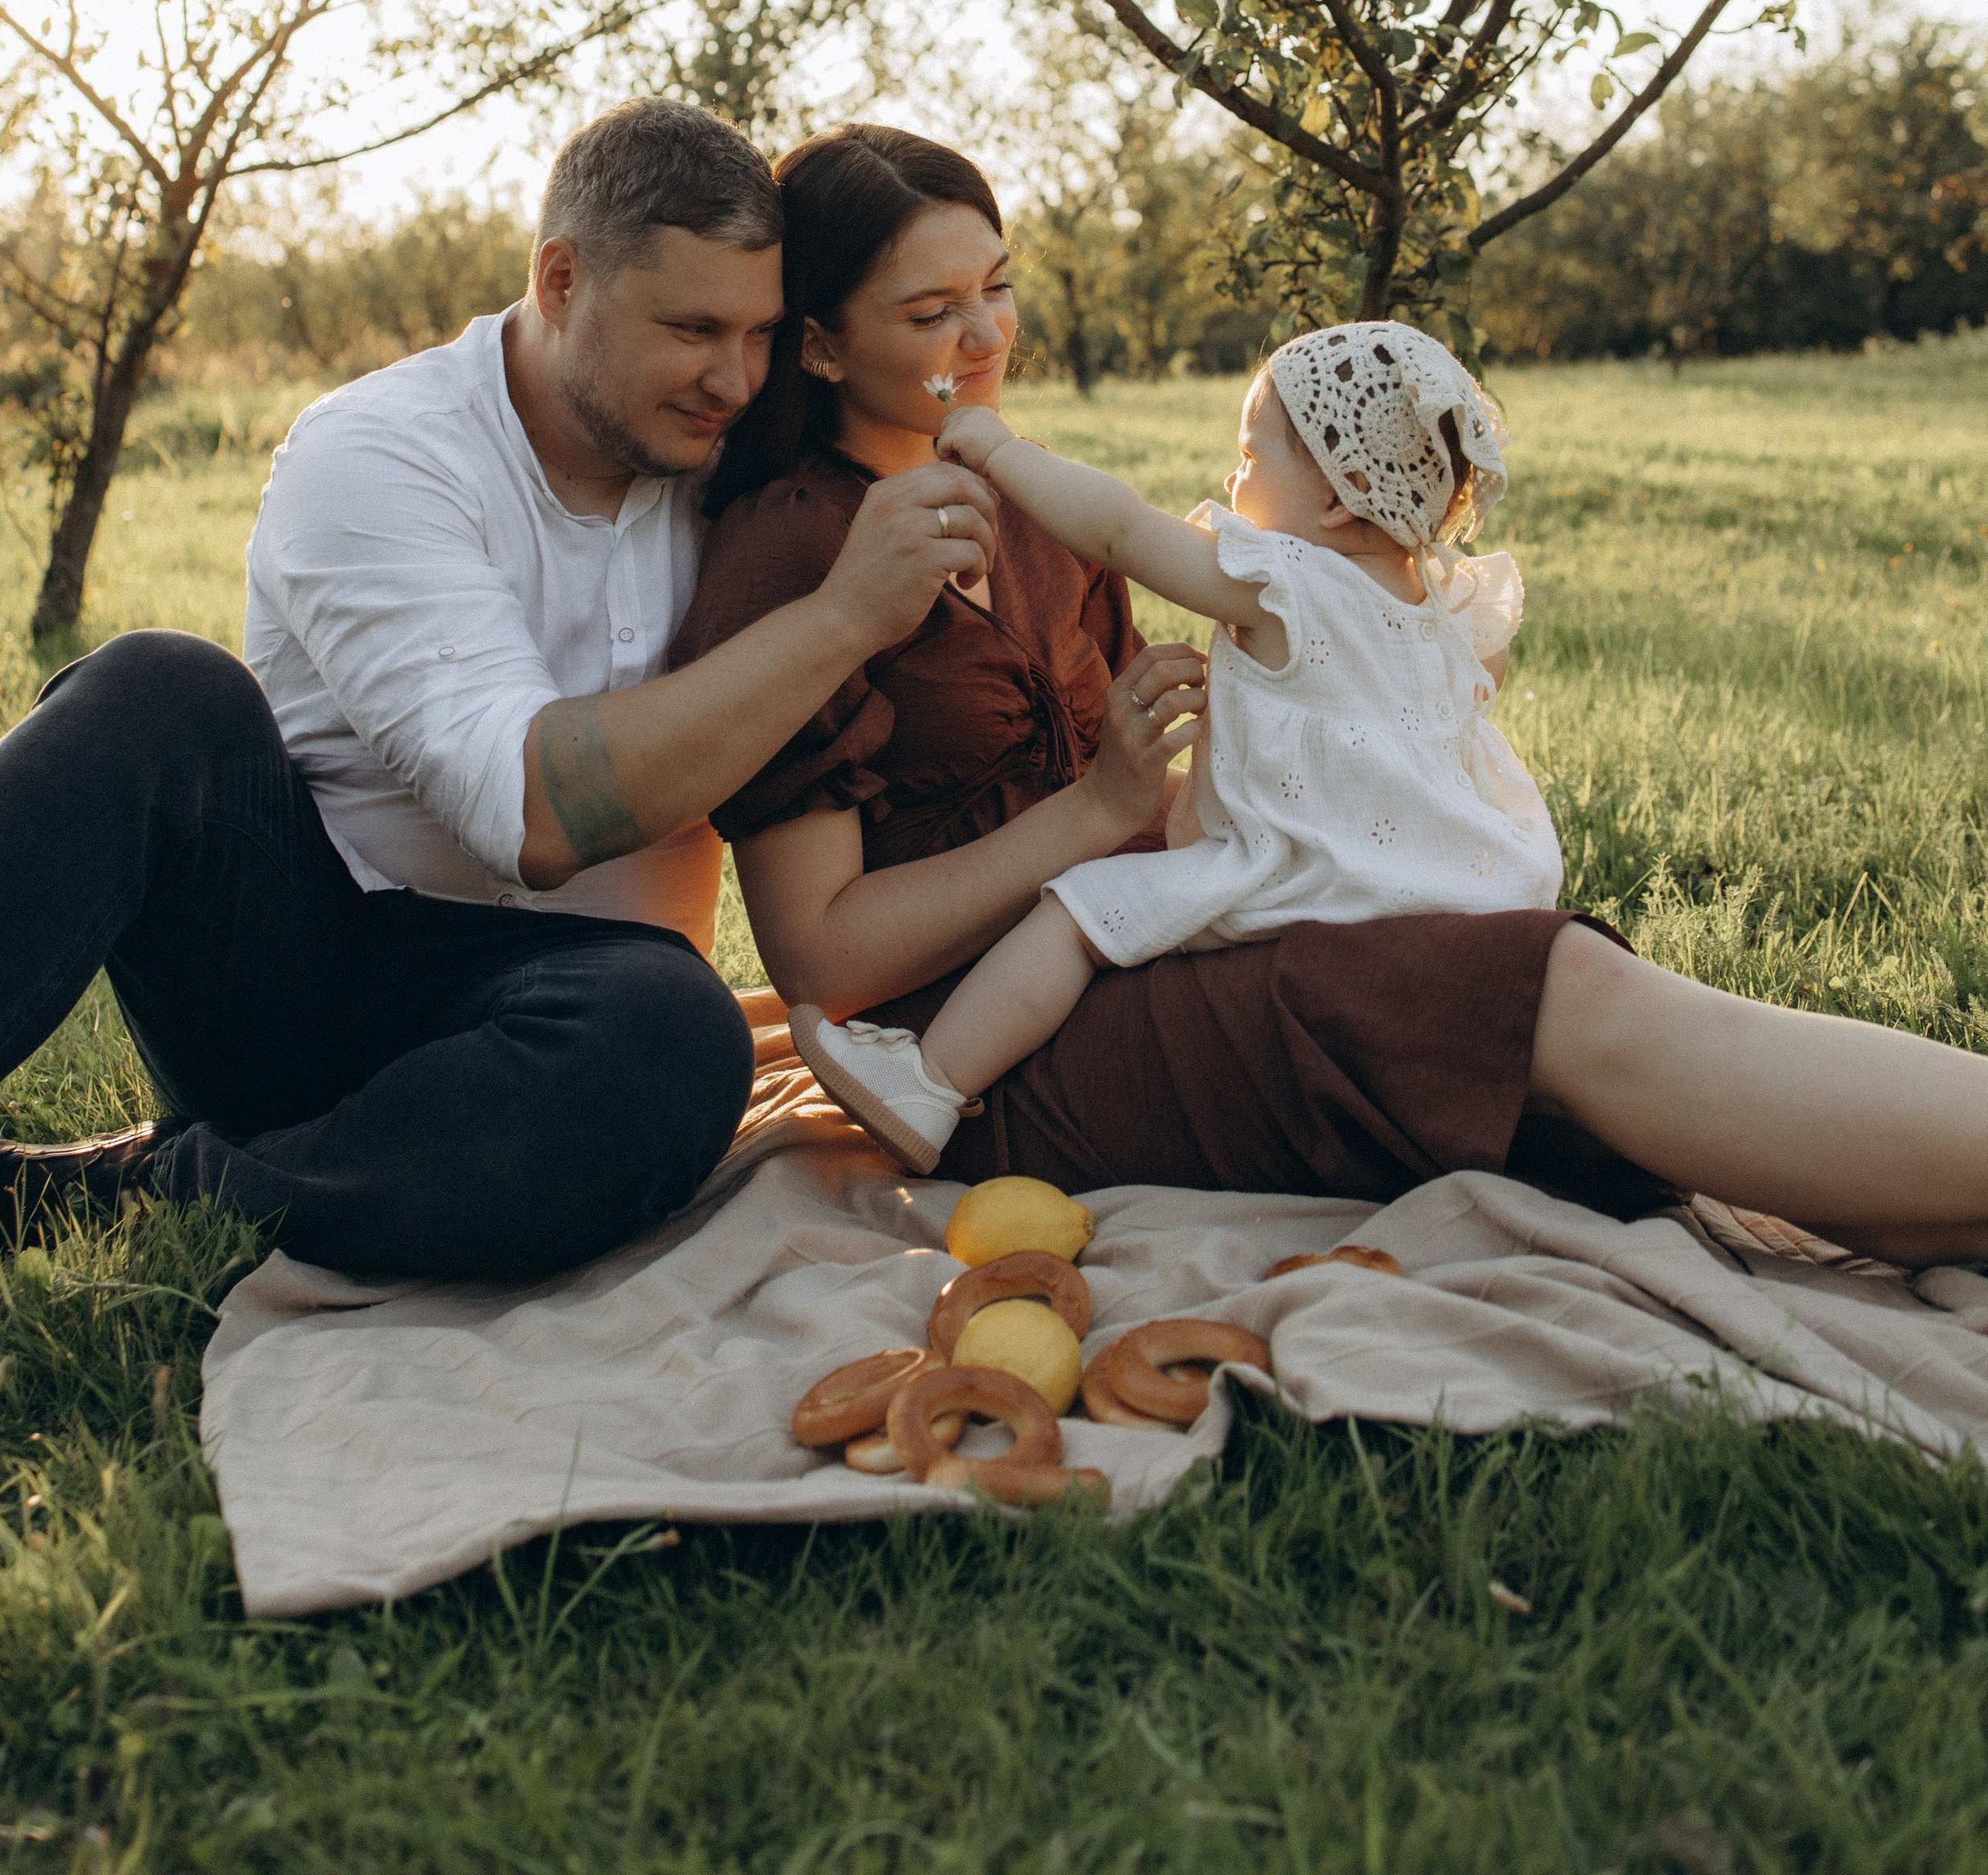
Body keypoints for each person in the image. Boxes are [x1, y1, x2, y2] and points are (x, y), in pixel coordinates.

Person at [675, 123, 1988, 1269]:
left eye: (999, 288)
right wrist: (1094, 817)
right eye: (930, 313)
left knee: (1562, 1059)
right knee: (1547, 999)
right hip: (974, 1056)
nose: (985, 337)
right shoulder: (794, 552)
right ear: (823, 347)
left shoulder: (1042, 517)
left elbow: (1179, 784)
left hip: (1156, 936)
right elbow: (825, 963)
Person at [0, 100, 1000, 1281]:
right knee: (157, 691)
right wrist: (843, 616)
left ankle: (139, 1190)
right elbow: (530, 817)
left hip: (573, 1024)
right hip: (305, 978)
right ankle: (288, 1157)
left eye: (759, 334)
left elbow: (919, 385)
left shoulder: (733, 462)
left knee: (677, 1035)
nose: (733, 377)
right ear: (559, 280)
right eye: (693, 327)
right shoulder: (382, 450)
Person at [791, 322, 1560, 1170]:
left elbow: (1119, 530)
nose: (1233, 479)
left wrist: (1002, 451)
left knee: (1081, 913)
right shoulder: (1449, 605)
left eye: (1251, 456)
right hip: (1455, 886)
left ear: (1340, 497)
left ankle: (929, 1084)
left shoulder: (1283, 586)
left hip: (1309, 876)